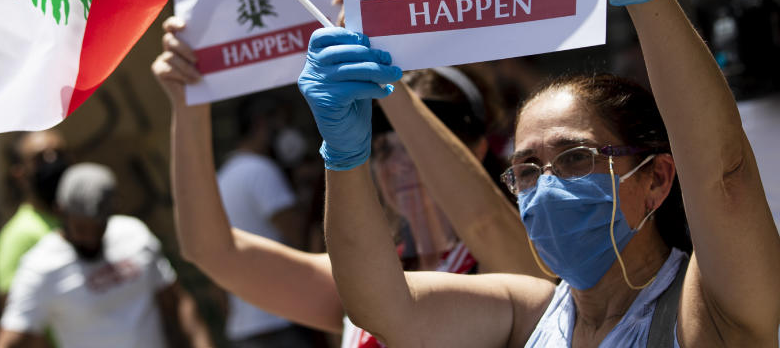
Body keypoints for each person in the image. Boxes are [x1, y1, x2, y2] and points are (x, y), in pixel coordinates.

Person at [300, 0, 780, 347]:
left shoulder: (709, 312)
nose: (547, 188)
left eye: (575, 158)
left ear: (656, 178)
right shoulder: (527, 314)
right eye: (527, 170)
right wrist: (343, 155)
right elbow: (380, 305)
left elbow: (724, 178)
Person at [152, 19, 545, 347]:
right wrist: (190, 105)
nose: (401, 164)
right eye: (384, 148)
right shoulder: (366, 274)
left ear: (476, 148)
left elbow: (482, 222)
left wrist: (384, 79)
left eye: (415, 144)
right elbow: (214, 252)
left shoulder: (525, 257)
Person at [0, 163, 214, 348]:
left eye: (98, 228)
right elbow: (11, 336)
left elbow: (177, 303)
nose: (90, 238)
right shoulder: (41, 266)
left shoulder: (134, 235)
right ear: (60, 212)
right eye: (81, 228)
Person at [215, 93, 310, 347]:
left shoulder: (223, 176)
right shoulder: (261, 171)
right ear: (261, 124)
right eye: (282, 123)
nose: (287, 133)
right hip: (280, 322)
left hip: (246, 326)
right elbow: (300, 235)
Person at [0, 129, 70, 305]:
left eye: (59, 154)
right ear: (20, 173)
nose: (53, 162)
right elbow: (16, 315)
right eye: (40, 158)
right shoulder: (18, 236)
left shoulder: (79, 221)